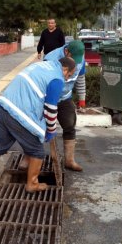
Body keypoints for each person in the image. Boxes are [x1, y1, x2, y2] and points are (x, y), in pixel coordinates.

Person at [0, 57, 77, 192]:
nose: (67, 79)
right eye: (68, 75)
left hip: (5, 106)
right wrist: (51, 130)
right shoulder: (57, 79)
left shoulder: (44, 65)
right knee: (37, 151)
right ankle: (32, 184)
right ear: (65, 69)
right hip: (19, 113)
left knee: (0, 145)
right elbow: (51, 108)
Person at [43, 40, 86, 172]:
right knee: (38, 127)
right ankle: (28, 159)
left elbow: (80, 78)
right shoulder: (51, 58)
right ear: (66, 51)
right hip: (47, 97)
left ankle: (69, 160)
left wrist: (82, 99)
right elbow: (43, 79)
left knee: (69, 126)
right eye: (73, 58)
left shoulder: (81, 58)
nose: (76, 62)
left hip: (65, 97)